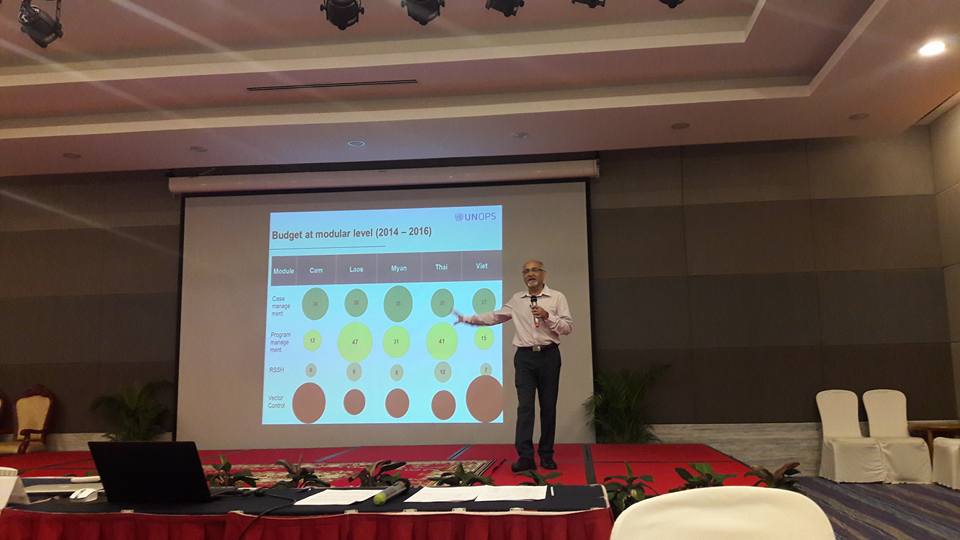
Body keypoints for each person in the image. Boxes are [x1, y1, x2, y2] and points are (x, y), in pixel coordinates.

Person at [455, 259, 573, 472]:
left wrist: (548, 316)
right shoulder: (517, 300)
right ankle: (525, 457)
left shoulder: (557, 297)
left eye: (535, 270)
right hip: (525, 358)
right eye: (526, 271)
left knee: (548, 407)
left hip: (549, 356)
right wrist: (467, 319)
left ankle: (546, 455)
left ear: (543, 274)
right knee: (525, 407)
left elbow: (567, 328)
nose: (530, 274)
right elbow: (495, 316)